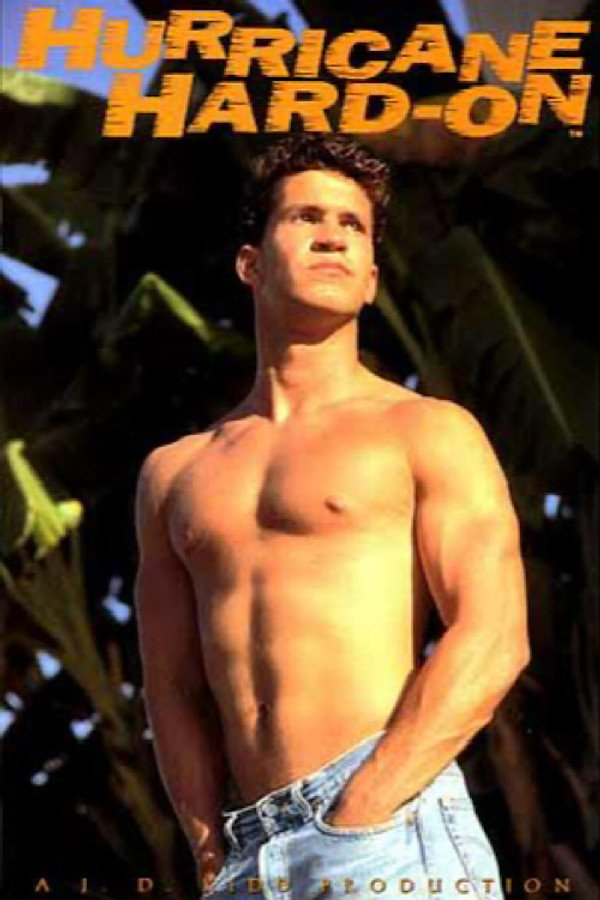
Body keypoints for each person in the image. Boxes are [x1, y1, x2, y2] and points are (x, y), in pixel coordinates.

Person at [134, 135, 530, 900]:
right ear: (250, 264)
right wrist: (209, 851)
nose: (332, 236)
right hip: (247, 853)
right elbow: (172, 685)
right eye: (306, 217)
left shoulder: (425, 429)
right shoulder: (173, 473)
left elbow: (494, 635)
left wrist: (363, 808)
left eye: (352, 225)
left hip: (388, 825)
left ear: (372, 279)